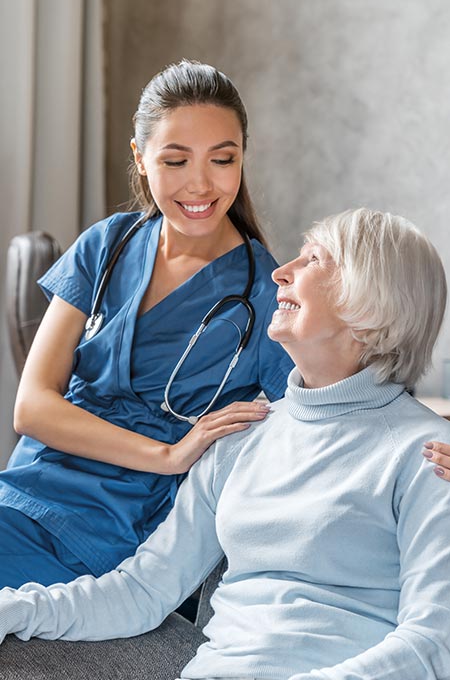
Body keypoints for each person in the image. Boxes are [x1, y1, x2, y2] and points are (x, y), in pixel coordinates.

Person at [1, 207, 450, 680]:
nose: (281, 272)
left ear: (371, 301)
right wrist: (14, 609)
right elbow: (140, 592)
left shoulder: (429, 456)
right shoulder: (240, 437)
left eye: (313, 260)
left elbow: (433, 642)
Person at [0, 60, 293, 588]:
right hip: (29, 487)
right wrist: (167, 453)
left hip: (122, 523)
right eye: (176, 161)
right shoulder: (107, 244)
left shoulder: (268, 294)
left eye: (223, 159)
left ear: (242, 158)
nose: (201, 184)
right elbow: (32, 407)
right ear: (140, 159)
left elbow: (333, 409)